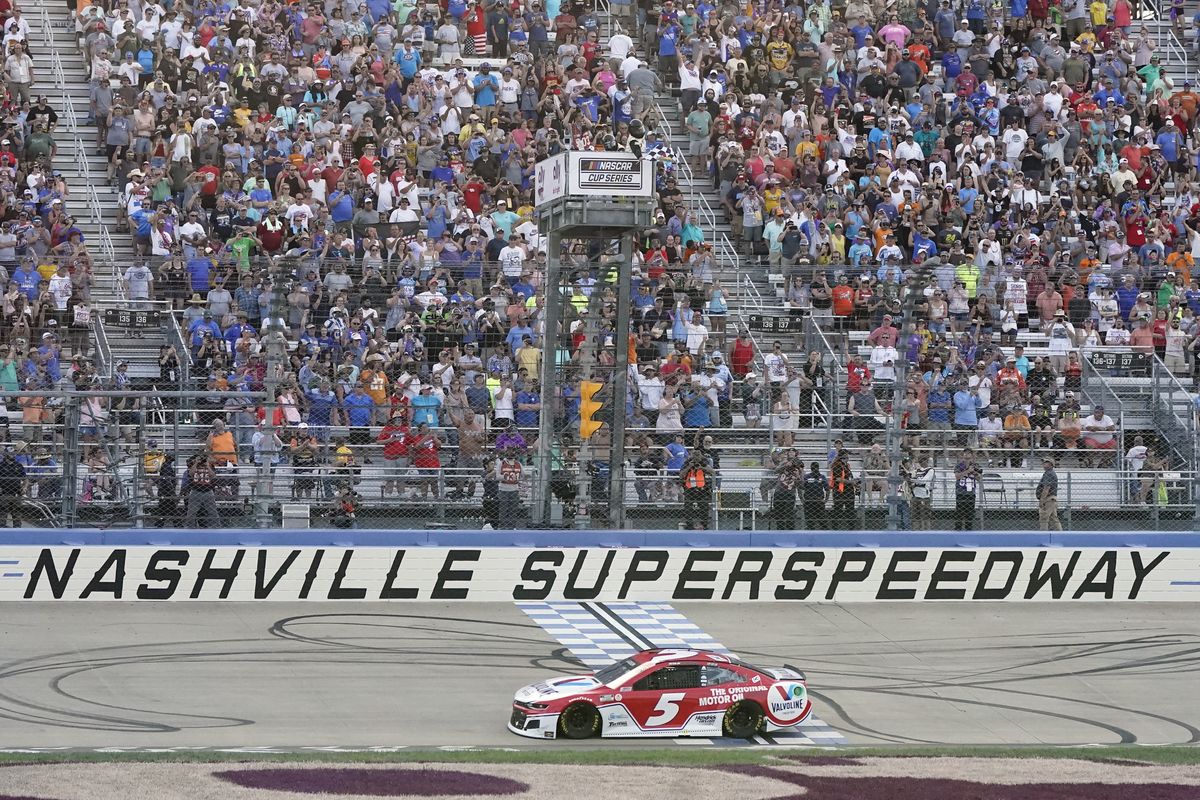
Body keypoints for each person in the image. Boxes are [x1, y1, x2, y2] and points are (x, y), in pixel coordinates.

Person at [183, 454, 220, 528]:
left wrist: (207, 465)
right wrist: (196, 463)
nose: (202, 461)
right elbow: (191, 474)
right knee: (191, 512)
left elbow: (213, 476)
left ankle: (216, 526)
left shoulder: (210, 466)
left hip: (208, 490)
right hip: (196, 490)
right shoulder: (194, 465)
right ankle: (190, 527)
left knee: (212, 511)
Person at [680, 452, 713, 530]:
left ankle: (704, 524)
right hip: (690, 489)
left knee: (704, 505)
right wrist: (689, 467)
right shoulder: (687, 463)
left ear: (700, 456)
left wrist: (702, 468)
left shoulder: (703, 462)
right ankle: (689, 524)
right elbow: (681, 475)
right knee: (688, 506)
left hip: (702, 489)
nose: (696, 459)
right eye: (695, 457)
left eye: (698, 457)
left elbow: (712, 472)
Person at [770, 454, 800, 530]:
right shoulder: (784, 464)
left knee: (789, 513)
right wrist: (786, 466)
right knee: (779, 513)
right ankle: (780, 529)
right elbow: (775, 471)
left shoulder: (798, 468)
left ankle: (790, 530)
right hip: (779, 491)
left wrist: (797, 476)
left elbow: (801, 484)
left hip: (790, 493)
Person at [828, 450, 856, 529]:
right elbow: (837, 479)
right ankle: (835, 527)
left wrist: (853, 482)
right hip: (840, 490)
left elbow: (848, 476)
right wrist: (851, 482)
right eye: (846, 456)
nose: (847, 458)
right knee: (838, 509)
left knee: (850, 510)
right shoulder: (837, 465)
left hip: (848, 490)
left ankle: (851, 527)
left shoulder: (846, 465)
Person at [954, 449, 980, 530]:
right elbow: (957, 476)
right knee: (959, 512)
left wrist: (974, 473)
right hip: (961, 491)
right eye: (965, 453)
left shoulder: (976, 465)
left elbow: (979, 478)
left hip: (971, 492)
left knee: (970, 513)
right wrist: (967, 471)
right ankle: (958, 530)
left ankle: (969, 529)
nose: (967, 455)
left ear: (972, 455)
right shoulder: (959, 465)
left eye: (969, 453)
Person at [497, 452, 524, 528]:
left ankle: (512, 527)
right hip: (504, 489)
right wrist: (506, 477)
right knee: (503, 510)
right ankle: (502, 527)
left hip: (514, 489)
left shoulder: (518, 464)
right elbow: (497, 476)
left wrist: (517, 479)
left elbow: (523, 474)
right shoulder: (501, 463)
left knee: (513, 510)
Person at [1037, 457, 1063, 531]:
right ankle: (1060, 534)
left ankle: (1043, 534)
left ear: (1051, 464)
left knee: (1044, 517)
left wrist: (1042, 500)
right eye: (1044, 462)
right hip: (1051, 499)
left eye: (1046, 462)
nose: (1043, 464)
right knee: (1053, 518)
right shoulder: (1049, 473)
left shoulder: (1049, 474)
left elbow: (1046, 488)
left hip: (1048, 499)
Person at [802, 461, 828, 529]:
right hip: (809, 501)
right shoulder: (807, 477)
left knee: (822, 522)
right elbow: (801, 487)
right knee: (810, 523)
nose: (815, 469)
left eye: (816, 467)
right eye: (814, 467)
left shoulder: (822, 477)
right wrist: (803, 499)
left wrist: (826, 500)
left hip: (818, 501)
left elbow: (827, 489)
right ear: (811, 468)